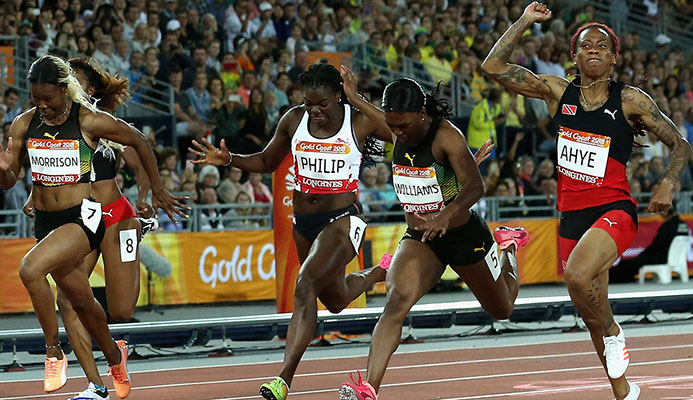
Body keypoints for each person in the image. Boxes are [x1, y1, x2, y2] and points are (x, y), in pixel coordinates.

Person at [481, 3, 690, 399]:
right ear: (574, 56)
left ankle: (615, 332)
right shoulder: (558, 91)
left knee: (578, 279)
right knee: (591, 307)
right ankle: (624, 392)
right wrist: (525, 21)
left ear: (614, 57)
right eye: (584, 45)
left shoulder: (631, 100)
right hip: (570, 216)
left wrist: (668, 182)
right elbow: (492, 68)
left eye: (601, 45)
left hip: (614, 209)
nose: (593, 49)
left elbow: (680, 144)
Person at [189, 63, 393, 400]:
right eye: (309, 103)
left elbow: (399, 131)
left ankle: (283, 379)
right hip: (304, 222)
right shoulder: (294, 120)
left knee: (305, 283)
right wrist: (230, 160)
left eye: (323, 105)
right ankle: (380, 272)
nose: (315, 112)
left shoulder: (359, 120)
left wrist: (357, 99)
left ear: (338, 96)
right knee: (337, 299)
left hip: (343, 218)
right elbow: (268, 161)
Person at [0, 55, 186, 398]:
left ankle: (54, 351)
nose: (42, 106)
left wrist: (152, 192)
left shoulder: (93, 121)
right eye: (36, 99)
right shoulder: (26, 124)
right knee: (75, 302)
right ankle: (103, 376)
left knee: (117, 307)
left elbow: (139, 148)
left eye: (48, 98)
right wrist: (11, 175)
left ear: (67, 89)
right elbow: (18, 175)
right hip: (53, 221)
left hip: (102, 216)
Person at [336, 72, 529, 400]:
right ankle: (368, 387)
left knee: (502, 309)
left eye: (402, 127)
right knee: (396, 302)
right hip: (422, 238)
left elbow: (474, 186)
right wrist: (354, 98)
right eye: (392, 127)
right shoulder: (399, 127)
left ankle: (508, 245)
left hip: (464, 235)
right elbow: (376, 115)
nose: (396, 134)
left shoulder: (446, 137)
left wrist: (445, 215)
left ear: (422, 114)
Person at [609, 200, 690, 283]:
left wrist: (644, 253)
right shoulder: (683, 224)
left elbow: (656, 245)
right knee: (636, 262)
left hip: (660, 258)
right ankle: (626, 278)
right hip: (672, 258)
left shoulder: (667, 225)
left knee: (627, 264)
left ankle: (611, 279)